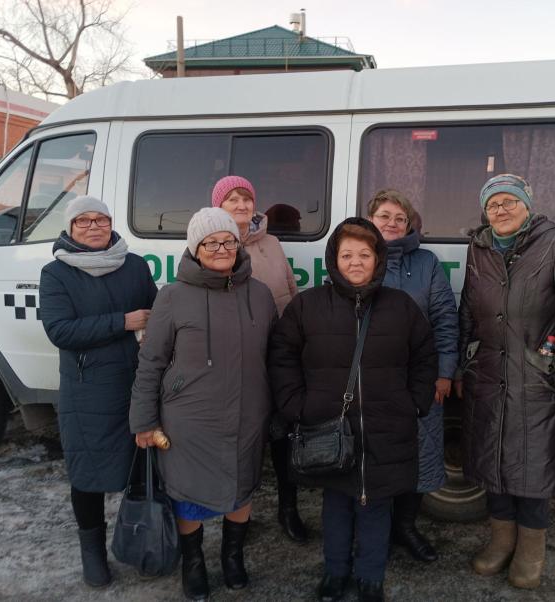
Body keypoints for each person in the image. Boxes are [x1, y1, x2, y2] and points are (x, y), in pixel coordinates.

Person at [269, 217, 438, 602]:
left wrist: (414, 401)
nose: (356, 262)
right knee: (336, 503)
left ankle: (370, 577)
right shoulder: (307, 306)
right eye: (347, 254)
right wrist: (297, 405)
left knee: (377, 504)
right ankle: (335, 573)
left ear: (378, 258)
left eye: (364, 254)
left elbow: (425, 356)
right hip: (327, 427)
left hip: (387, 426)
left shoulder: (401, 306)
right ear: (334, 259)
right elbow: (282, 357)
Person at [129, 207, 277, 601]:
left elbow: (276, 355)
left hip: (248, 413)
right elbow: (151, 361)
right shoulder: (173, 296)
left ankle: (233, 557)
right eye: (210, 242)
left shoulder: (260, 294)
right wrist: (143, 420)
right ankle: (193, 563)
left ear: (238, 242)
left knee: (241, 489)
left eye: (227, 240)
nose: (221, 248)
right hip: (189, 420)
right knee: (189, 496)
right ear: (195, 249)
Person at [455, 174, 555, 589]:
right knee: (493, 460)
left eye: (510, 201)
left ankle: (530, 549)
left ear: (528, 206)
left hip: (537, 378)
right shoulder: (478, 249)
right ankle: (500, 541)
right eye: (493, 203)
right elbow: (467, 309)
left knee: (533, 466)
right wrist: (465, 361)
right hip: (488, 375)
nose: (502, 209)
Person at [39, 195, 157, 588]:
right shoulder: (56, 273)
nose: (93, 227)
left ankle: (144, 539)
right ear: (70, 229)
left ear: (111, 224)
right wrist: (122, 322)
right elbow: (60, 331)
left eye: (101, 220)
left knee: (141, 469)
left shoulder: (135, 266)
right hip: (87, 389)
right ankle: (92, 553)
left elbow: (157, 313)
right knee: (87, 475)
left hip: (136, 383)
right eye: (83, 221)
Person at [212, 175, 307, 542]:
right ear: (218, 206)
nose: (240, 205)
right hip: (238, 361)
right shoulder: (214, 245)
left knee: (284, 436)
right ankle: (238, 517)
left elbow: (290, 291)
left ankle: (289, 510)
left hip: (279, 357)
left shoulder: (272, 243)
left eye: (246, 198)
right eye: (232, 199)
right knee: (242, 441)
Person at [366, 189, 458, 562]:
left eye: (399, 218)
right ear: (371, 220)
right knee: (374, 457)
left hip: (420, 380)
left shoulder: (427, 262)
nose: (391, 223)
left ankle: (405, 526)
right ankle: (377, 530)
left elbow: (445, 319)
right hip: (371, 382)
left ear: (409, 224)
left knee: (419, 455)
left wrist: (444, 372)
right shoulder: (359, 257)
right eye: (384, 216)